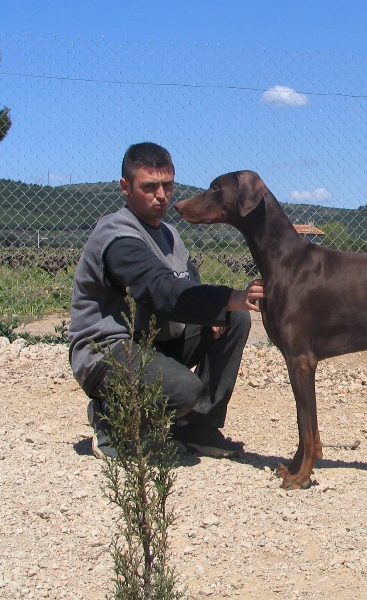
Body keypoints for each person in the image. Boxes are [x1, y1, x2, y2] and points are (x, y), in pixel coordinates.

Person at [68, 142, 265, 459]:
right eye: (149, 187)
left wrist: (211, 313)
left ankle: (197, 426)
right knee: (185, 388)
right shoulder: (118, 236)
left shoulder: (170, 234)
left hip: (153, 341)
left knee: (233, 318)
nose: (161, 195)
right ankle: (111, 419)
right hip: (107, 353)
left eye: (168, 185)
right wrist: (232, 296)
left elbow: (188, 282)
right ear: (126, 187)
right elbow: (159, 290)